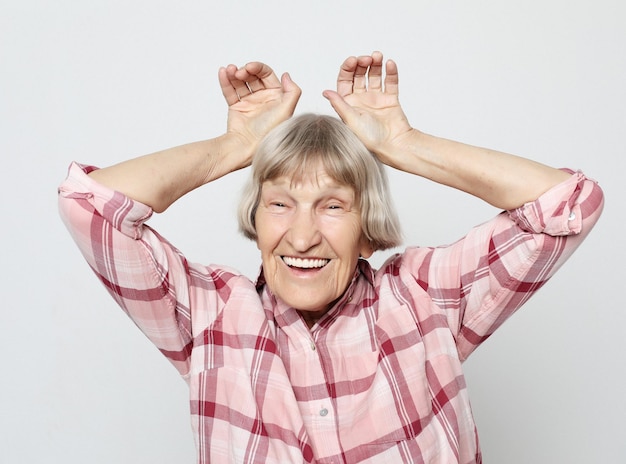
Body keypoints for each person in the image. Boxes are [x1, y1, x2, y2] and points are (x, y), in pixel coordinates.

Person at [58, 51, 604, 463]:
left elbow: (567, 205)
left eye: (333, 206)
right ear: (255, 218)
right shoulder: (210, 314)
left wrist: (404, 143)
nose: (302, 235)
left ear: (368, 229)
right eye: (280, 203)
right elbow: (90, 205)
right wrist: (239, 146)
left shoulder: (424, 296)